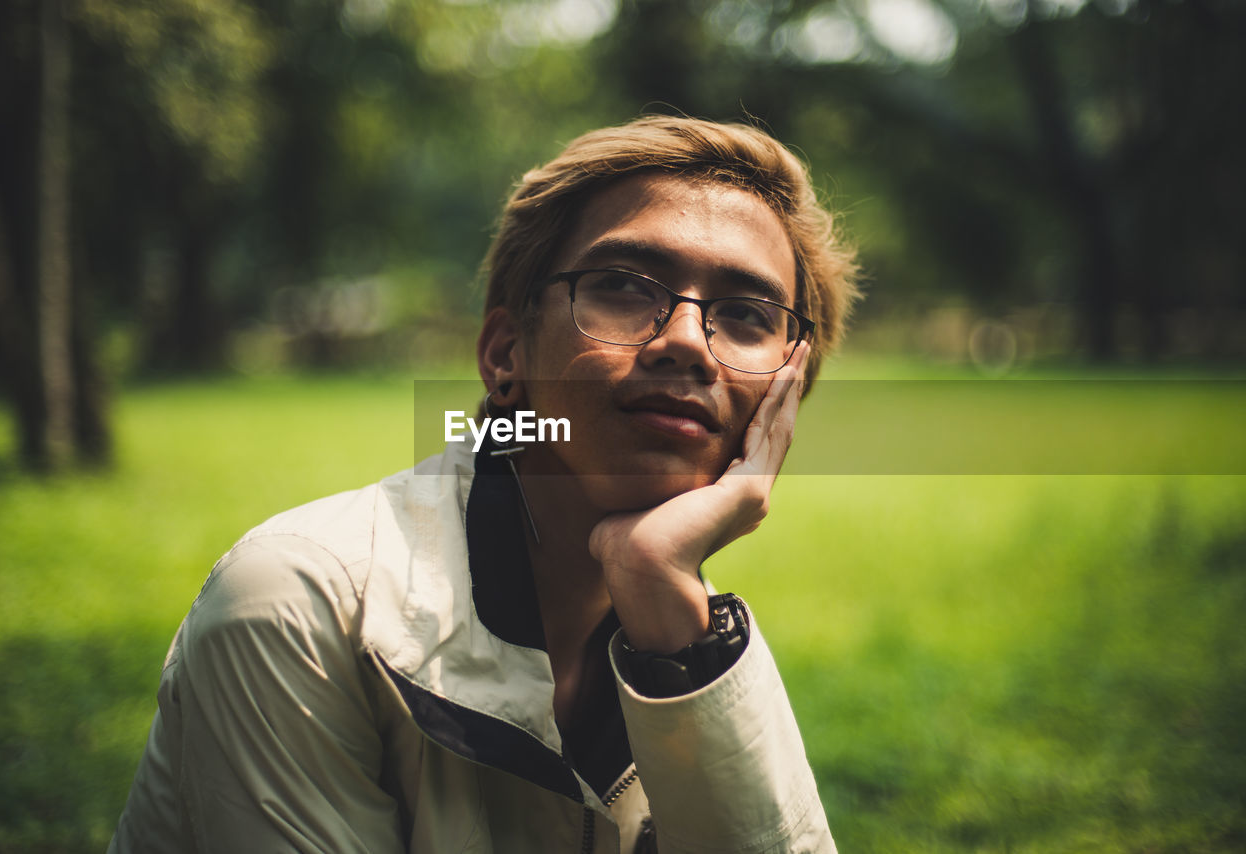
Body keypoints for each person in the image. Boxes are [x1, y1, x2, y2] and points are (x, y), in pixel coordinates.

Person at [108, 115, 859, 853]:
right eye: (624, 287)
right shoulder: (299, 604)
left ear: (784, 399)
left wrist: (672, 626)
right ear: (506, 355)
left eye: (747, 315)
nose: (686, 343)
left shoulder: (695, 636)